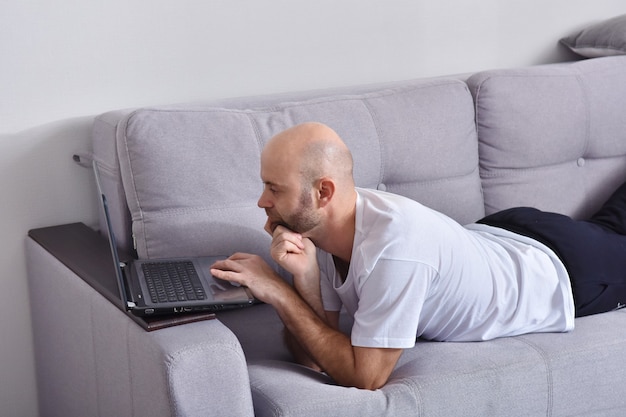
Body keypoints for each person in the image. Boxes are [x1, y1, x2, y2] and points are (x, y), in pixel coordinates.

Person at [210, 122, 626, 390]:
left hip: (563, 269)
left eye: (274, 188)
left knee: (612, 228)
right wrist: (303, 283)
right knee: (613, 219)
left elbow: (365, 377)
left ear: (323, 192)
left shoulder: (394, 251)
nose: (262, 200)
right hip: (505, 231)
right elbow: (315, 358)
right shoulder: (324, 226)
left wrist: (278, 294)